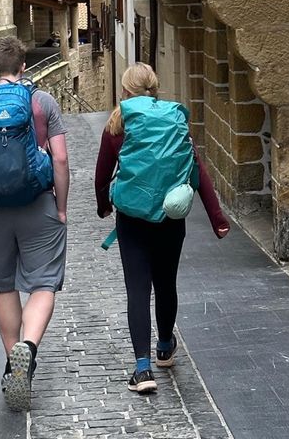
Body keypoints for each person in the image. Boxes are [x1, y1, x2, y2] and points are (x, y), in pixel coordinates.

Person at [94, 63, 228, 395]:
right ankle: (165, 346)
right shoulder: (174, 121)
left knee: (138, 290)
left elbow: (101, 174)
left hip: (132, 219)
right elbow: (198, 170)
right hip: (171, 217)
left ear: (124, 92)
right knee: (166, 283)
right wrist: (217, 219)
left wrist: (103, 205)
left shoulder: (117, 124)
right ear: (155, 88)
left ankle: (142, 369)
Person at [0, 36, 69, 412]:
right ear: (24, 67)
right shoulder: (43, 103)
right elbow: (61, 160)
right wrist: (61, 208)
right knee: (43, 282)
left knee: (3, 285)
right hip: (38, 202)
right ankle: (30, 348)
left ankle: (12, 361)